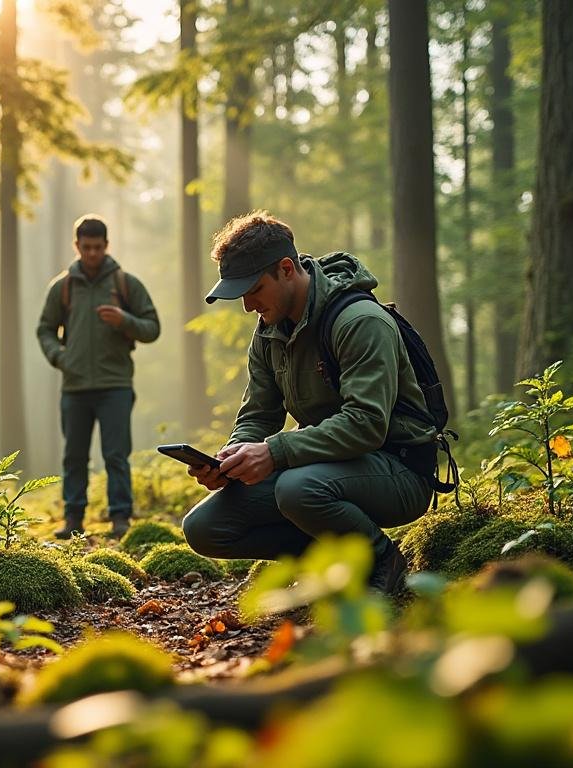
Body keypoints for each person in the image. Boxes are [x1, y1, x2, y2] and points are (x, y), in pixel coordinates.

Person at [180, 211, 435, 594]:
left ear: (286, 269)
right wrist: (230, 460)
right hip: (322, 467)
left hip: (398, 469)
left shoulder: (359, 321)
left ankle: (383, 560)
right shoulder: (269, 332)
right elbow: (258, 414)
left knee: (297, 489)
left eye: (253, 289)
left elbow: (365, 424)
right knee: (204, 529)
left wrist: (274, 452)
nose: (248, 305)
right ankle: (329, 562)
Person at [36, 214, 160, 539]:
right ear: (76, 245)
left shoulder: (125, 284)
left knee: (116, 454)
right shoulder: (62, 287)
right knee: (73, 455)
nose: (92, 253)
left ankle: (120, 518)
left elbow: (152, 328)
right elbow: (45, 329)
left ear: (107, 245)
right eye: (86, 247)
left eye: (98, 247)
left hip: (115, 384)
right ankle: (73, 519)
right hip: (74, 386)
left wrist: (124, 320)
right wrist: (58, 356)